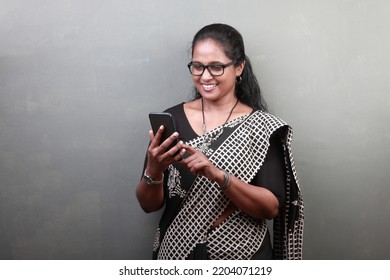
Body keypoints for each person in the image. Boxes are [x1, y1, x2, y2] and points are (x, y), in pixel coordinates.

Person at [136, 23, 304, 260]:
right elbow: (149, 205)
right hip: (178, 254)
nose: (205, 76)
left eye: (216, 67)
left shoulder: (261, 127)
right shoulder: (171, 120)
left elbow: (271, 208)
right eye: (197, 67)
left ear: (239, 67)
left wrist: (218, 175)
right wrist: (154, 170)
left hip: (243, 256)